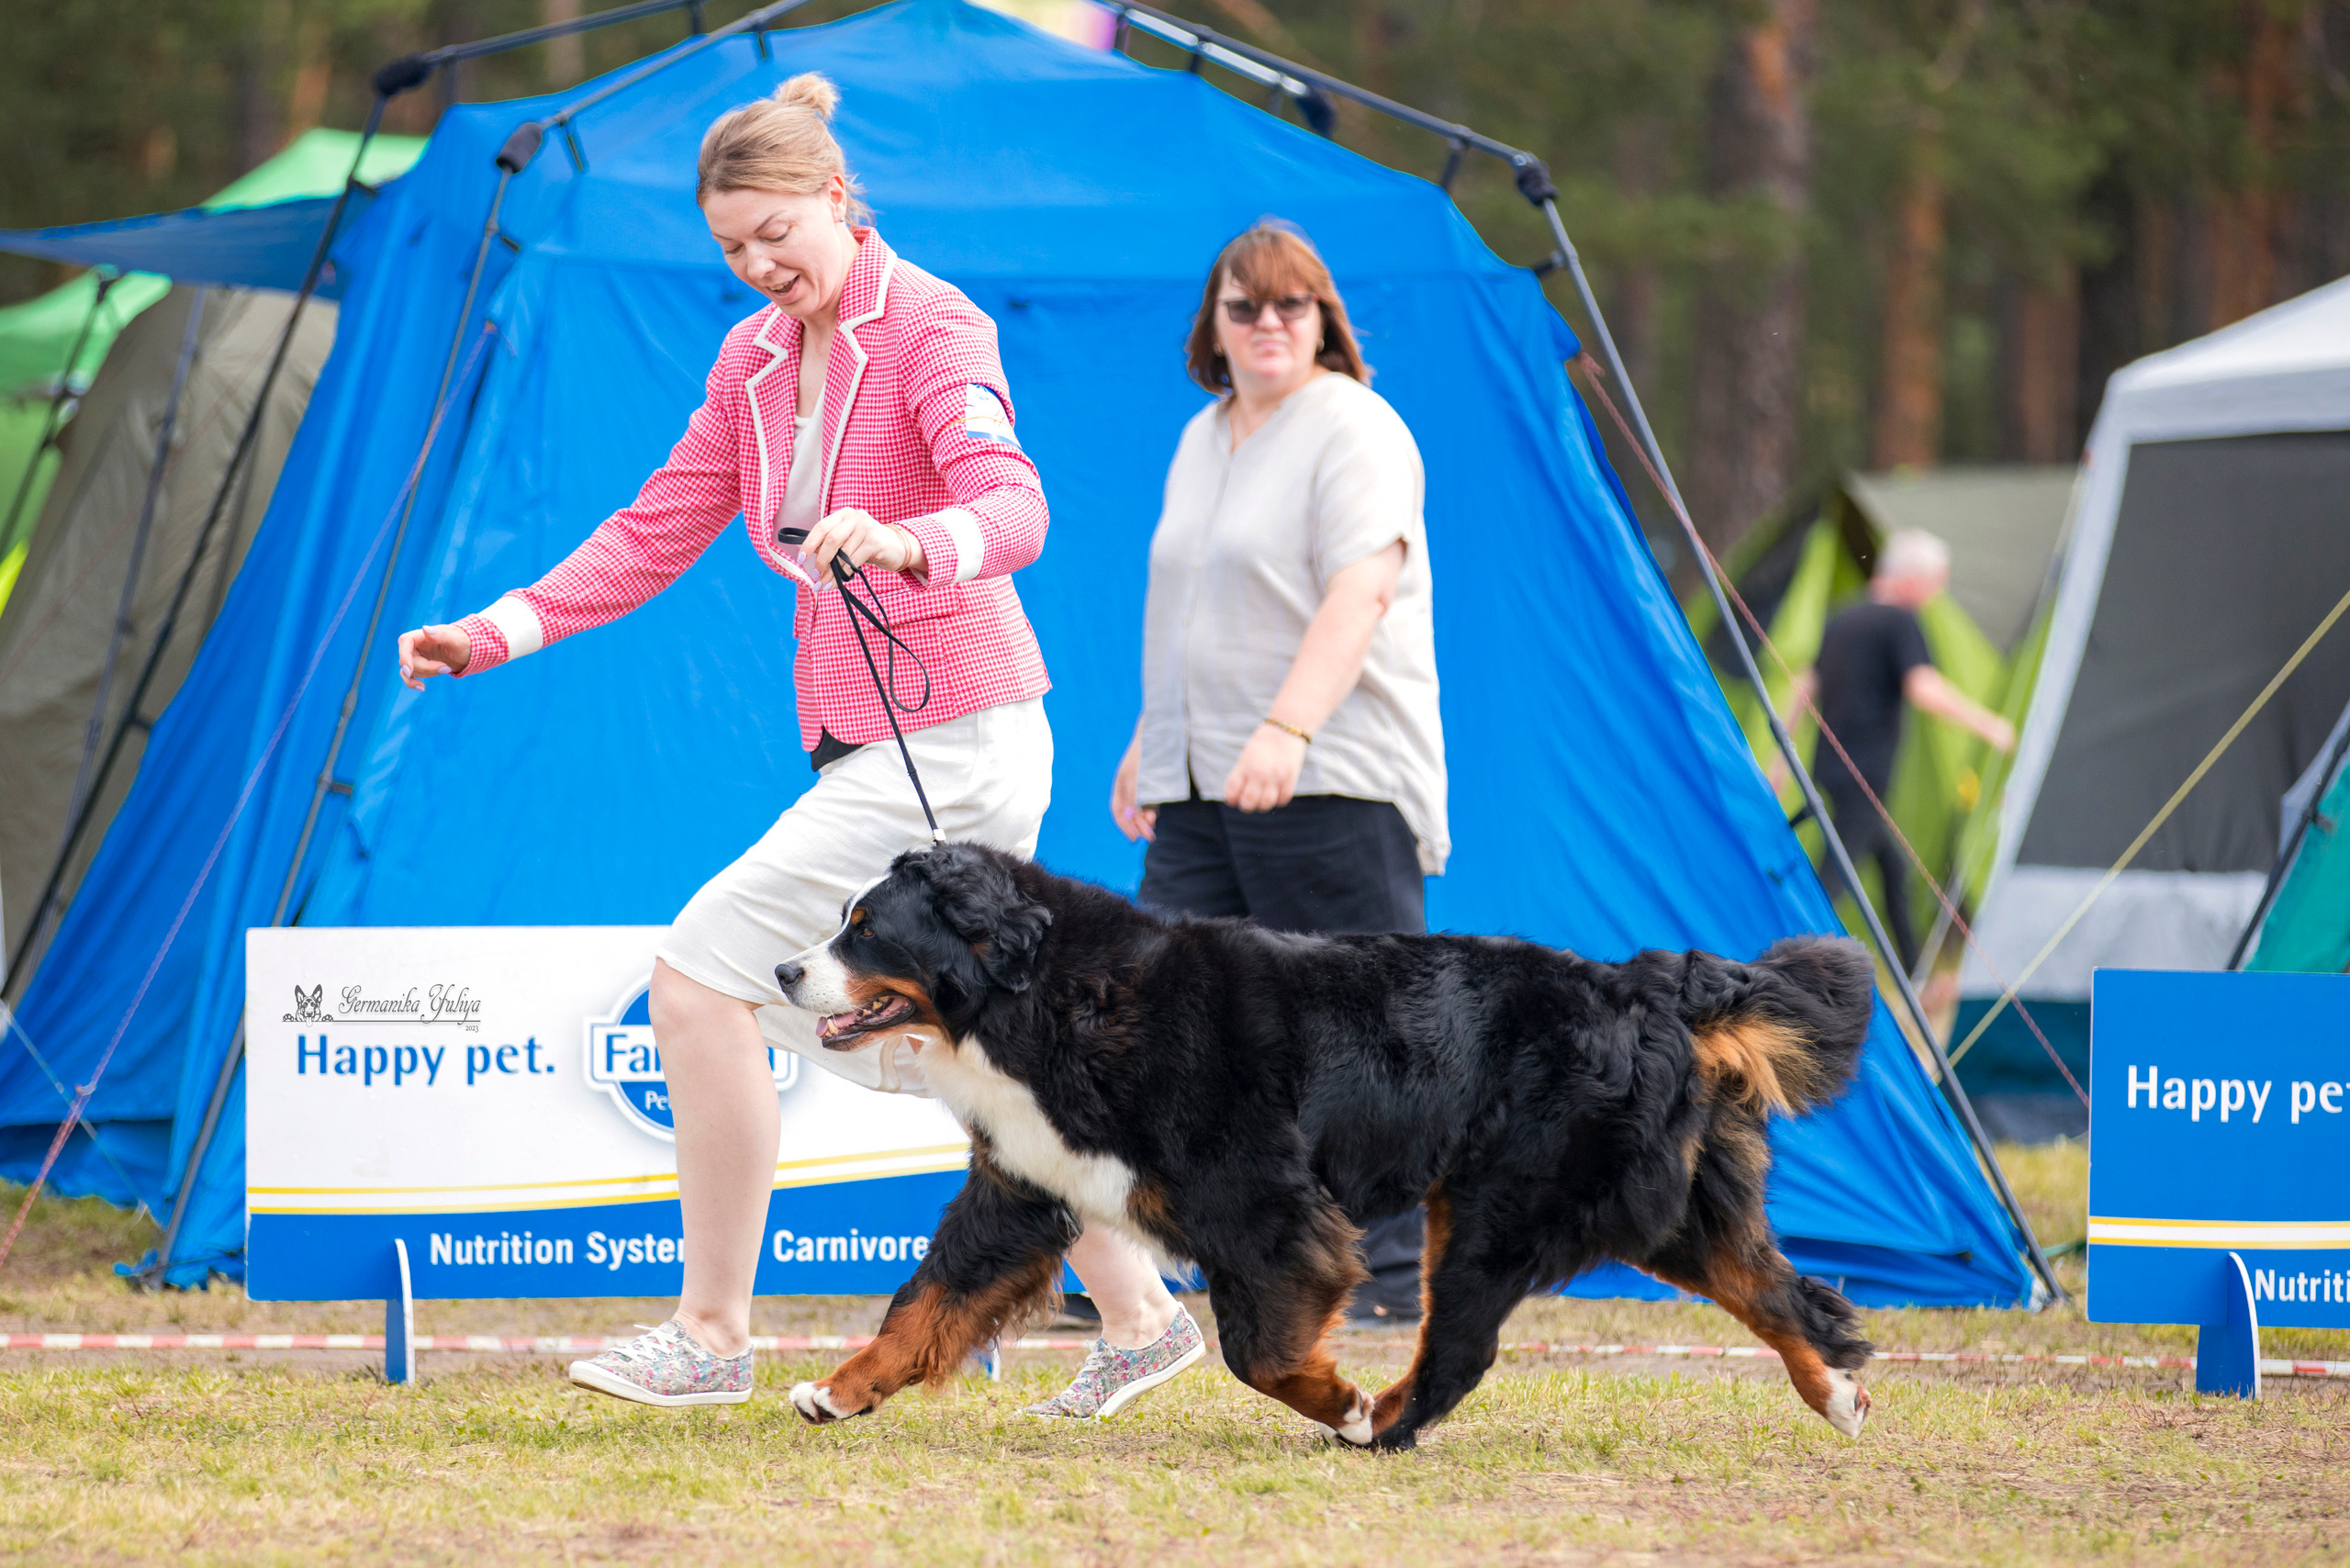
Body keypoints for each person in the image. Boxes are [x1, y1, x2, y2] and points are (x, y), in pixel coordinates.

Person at [397, 74, 1202, 1419]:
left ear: (838, 197)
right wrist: (495, 630)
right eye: (732, 246)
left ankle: (710, 1334)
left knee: (697, 980)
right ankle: (1140, 1313)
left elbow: (1015, 508)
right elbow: (655, 527)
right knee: (951, 1037)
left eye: (777, 232)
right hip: (872, 742)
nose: (759, 264)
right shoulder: (752, 362)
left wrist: (908, 539)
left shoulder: (935, 326)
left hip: (956, 736)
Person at [1108, 221, 1446, 1324]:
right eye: (1243, 306)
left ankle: (1383, 1274)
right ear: (1211, 326)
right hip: (1199, 775)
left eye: (1289, 305)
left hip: (1331, 770)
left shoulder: (1355, 426)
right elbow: (1192, 607)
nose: (1267, 324)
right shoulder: (1201, 436)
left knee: (1357, 1028)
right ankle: (1172, 1260)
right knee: (1162, 1015)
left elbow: (1360, 593)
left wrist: (1289, 728)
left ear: (1323, 321)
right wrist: (1152, 741)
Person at [1770, 528, 2016, 972]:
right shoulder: (1900, 622)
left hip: (1830, 767)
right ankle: (1782, 963)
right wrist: (1989, 725)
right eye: (1934, 583)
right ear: (1911, 577)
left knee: (1892, 870)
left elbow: (1804, 686)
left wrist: (1780, 760)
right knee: (1832, 879)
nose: (1934, 596)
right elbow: (1923, 688)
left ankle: (1913, 972)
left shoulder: (1843, 617)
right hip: (1865, 772)